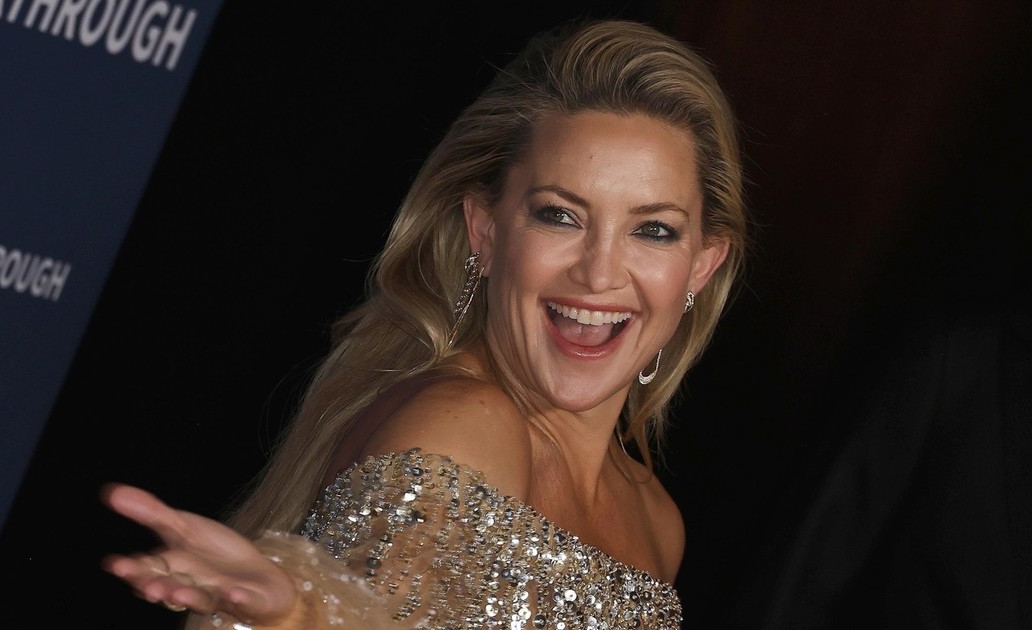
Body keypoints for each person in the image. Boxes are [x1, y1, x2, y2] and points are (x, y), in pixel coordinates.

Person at [101, 17, 748, 629]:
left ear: (702, 264)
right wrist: (296, 617)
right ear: (485, 231)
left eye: (653, 230)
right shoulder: (464, 425)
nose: (600, 274)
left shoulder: (654, 517)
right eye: (559, 216)